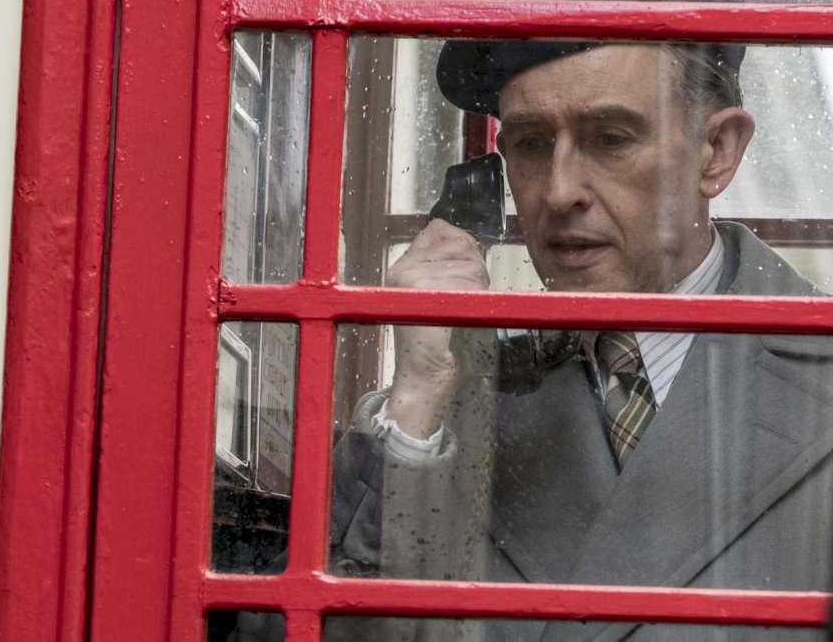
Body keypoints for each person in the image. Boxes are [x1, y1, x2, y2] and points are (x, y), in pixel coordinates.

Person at [315, 38, 833, 642]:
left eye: (610, 139)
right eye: (532, 145)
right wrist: (416, 396)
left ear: (716, 151)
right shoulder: (437, 422)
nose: (559, 192)